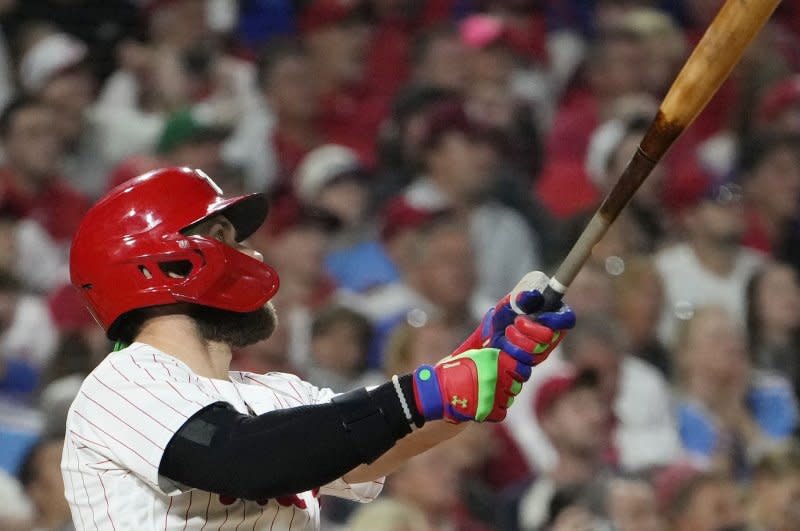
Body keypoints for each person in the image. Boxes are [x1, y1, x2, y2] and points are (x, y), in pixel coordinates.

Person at [61, 167, 575, 530]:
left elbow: (363, 451)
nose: (251, 252)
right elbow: (241, 458)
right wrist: (421, 392)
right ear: (165, 266)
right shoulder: (121, 384)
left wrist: (476, 364)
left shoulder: (277, 393)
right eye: (225, 237)